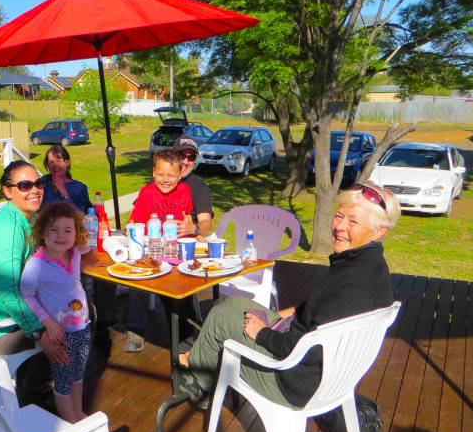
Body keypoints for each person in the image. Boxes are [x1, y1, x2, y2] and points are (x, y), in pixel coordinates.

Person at [178, 182, 401, 409]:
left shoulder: (354, 284)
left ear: (379, 231)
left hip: (291, 380)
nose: (340, 227)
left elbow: (308, 348)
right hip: (305, 360)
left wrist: (263, 334)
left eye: (353, 221)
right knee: (237, 303)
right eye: (339, 216)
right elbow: (324, 310)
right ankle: (200, 364)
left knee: (220, 317)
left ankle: (200, 385)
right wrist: (279, 316)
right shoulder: (367, 265)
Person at [0, 161, 69, 374]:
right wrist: (40, 333)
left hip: (6, 318)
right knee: (76, 320)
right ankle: (43, 385)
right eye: (25, 185)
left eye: (39, 183)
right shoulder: (9, 228)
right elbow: (9, 294)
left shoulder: (18, 216)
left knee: (73, 306)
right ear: (8, 191)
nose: (34, 190)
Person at [20, 202, 91, 423]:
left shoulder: (75, 253)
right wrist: (47, 322)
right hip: (60, 333)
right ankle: (72, 424)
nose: (61, 235)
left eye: (68, 230)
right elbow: (26, 295)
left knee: (78, 375)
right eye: (54, 229)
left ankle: (78, 413)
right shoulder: (36, 265)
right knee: (63, 381)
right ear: (43, 233)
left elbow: (91, 243)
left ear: (76, 234)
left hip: (83, 328)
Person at [122, 149, 194, 352]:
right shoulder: (147, 192)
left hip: (175, 251)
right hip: (150, 251)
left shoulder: (185, 191)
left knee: (180, 286)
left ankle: (183, 334)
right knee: (137, 284)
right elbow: (136, 223)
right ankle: (135, 330)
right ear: (153, 172)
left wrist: (191, 229)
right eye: (160, 174)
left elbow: (187, 218)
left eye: (171, 175)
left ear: (180, 174)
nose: (165, 180)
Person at [173, 136, 214, 238]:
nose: (186, 162)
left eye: (191, 157)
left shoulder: (199, 187)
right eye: (181, 155)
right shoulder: (158, 182)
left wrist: (193, 229)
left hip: (186, 241)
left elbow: (206, 223)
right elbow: (137, 218)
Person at [41, 145, 92, 213]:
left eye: (59, 161)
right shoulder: (43, 182)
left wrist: (63, 192)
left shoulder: (79, 188)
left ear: (68, 162)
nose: (55, 165)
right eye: (51, 162)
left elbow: (79, 216)